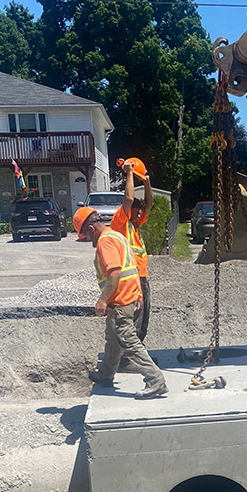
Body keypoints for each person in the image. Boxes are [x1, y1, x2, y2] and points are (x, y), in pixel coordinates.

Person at [73, 206, 167, 399]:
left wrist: (102, 300)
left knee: (128, 342)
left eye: (86, 236)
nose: (88, 240)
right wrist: (138, 295)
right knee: (113, 339)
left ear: (91, 228)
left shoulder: (105, 242)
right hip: (128, 296)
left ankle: (155, 380)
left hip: (120, 300)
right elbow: (133, 267)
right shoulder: (118, 236)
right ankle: (106, 375)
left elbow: (115, 272)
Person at [111, 158, 153, 341]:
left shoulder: (135, 226)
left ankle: (137, 350)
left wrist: (147, 183)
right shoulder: (121, 222)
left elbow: (149, 204)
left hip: (143, 278)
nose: (139, 214)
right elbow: (128, 199)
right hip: (130, 280)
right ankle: (128, 356)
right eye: (136, 211)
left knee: (144, 317)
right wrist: (129, 173)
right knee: (134, 318)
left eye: (139, 211)